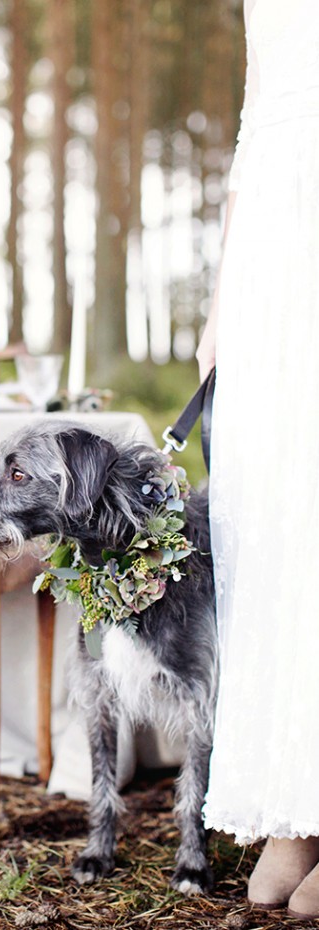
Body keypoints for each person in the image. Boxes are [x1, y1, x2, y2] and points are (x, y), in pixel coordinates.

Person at [196, 0, 319, 918]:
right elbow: (251, 127)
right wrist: (220, 301)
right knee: (280, 521)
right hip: (277, 257)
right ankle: (299, 803)